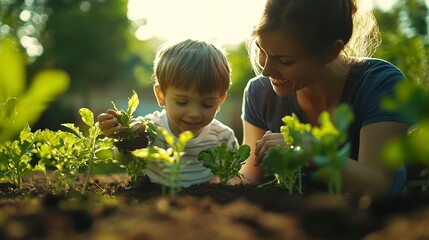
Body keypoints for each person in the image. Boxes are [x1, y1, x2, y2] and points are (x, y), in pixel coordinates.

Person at [240, 0, 412, 197]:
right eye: (262, 51)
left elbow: (380, 184)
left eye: (285, 60)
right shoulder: (259, 93)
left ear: (332, 51)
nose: (266, 71)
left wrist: (313, 152)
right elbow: (249, 175)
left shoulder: (380, 84)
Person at [98, 39, 238, 187]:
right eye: (182, 102)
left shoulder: (223, 137)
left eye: (207, 104)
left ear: (220, 101)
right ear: (161, 95)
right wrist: (123, 140)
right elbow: (121, 160)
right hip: (153, 198)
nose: (194, 113)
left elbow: (234, 177)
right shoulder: (148, 129)